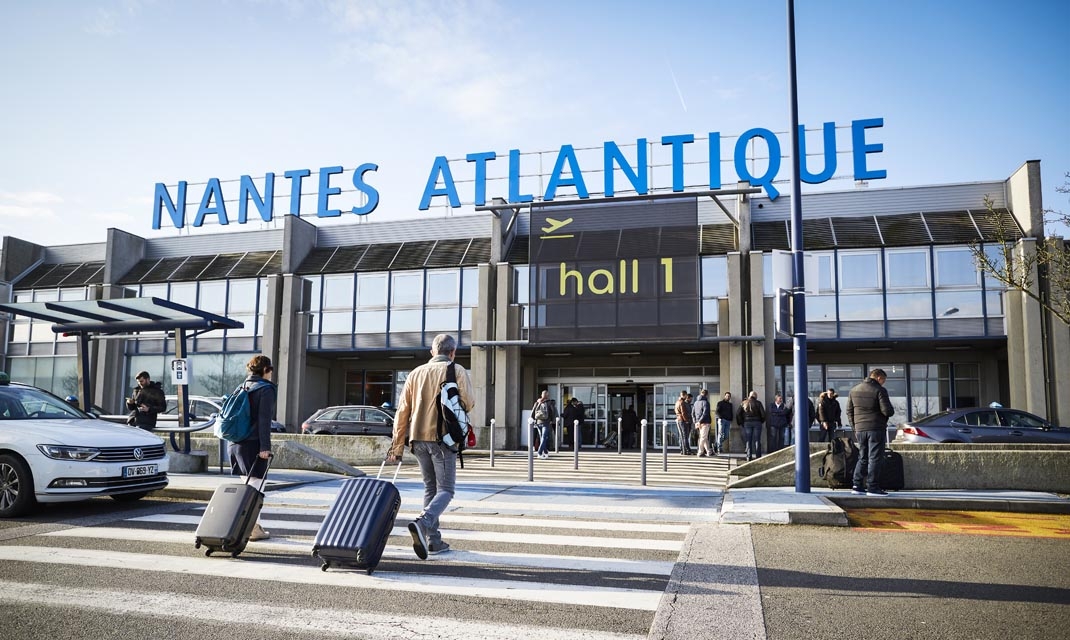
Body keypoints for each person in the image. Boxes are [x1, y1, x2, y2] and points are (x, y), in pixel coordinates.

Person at [388, 334, 474, 559]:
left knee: (430, 489)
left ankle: (433, 541)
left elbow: (402, 411)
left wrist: (397, 446)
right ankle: (424, 524)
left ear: (432, 352)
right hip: (442, 439)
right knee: (446, 489)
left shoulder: (415, 373)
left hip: (416, 439)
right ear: (453, 352)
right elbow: (469, 402)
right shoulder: (457, 370)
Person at [228, 355, 277, 542]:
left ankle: (247, 525)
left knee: (248, 487)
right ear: (265, 370)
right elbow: (264, 421)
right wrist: (265, 447)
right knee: (256, 490)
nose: (271, 372)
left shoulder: (241, 387)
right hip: (253, 445)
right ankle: (253, 528)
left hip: (235, 444)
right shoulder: (265, 389)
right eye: (270, 369)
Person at [847, 368, 895, 497]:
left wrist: (855, 428)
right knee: (874, 458)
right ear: (879, 378)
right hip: (875, 428)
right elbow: (887, 411)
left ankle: (857, 485)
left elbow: (849, 411)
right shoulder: (879, 390)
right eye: (883, 380)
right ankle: (872, 487)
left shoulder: (854, 390)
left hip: (860, 430)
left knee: (862, 457)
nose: (883, 383)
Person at [735, 390, 766, 461]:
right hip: (757, 422)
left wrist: (741, 422)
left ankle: (749, 456)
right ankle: (758, 456)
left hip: (747, 423)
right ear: (755, 396)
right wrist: (761, 421)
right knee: (757, 440)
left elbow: (738, 413)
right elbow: (763, 414)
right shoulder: (758, 403)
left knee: (748, 440)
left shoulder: (744, 403)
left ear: (749, 395)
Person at [530, 390, 556, 459]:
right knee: (544, 438)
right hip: (546, 422)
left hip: (538, 422)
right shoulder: (550, 403)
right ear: (547, 395)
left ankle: (546, 452)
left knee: (542, 438)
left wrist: (532, 420)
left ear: (541, 395)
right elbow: (553, 412)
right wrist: (552, 421)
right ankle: (540, 452)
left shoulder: (537, 402)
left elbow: (533, 411)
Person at [692, 389, 713, 457]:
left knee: (704, 437)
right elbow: (705, 413)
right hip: (705, 422)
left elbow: (692, 413)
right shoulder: (706, 402)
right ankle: (700, 451)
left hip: (698, 422)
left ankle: (708, 451)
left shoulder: (695, 402)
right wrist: (700, 421)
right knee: (703, 437)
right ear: (707, 394)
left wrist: (696, 422)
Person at [674, 390, 693, 455]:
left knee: (681, 436)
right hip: (683, 420)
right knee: (685, 436)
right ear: (684, 395)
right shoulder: (682, 402)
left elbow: (676, 411)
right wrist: (686, 420)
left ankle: (682, 449)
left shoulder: (677, 402)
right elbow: (683, 413)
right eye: (686, 395)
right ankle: (687, 449)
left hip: (679, 419)